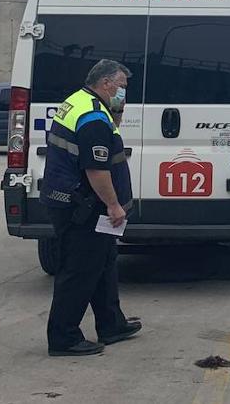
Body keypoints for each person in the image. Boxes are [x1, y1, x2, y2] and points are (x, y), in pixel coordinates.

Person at [41, 60, 141, 356]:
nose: (124, 92)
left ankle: (111, 324)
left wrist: (118, 109)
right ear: (106, 83)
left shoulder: (81, 102)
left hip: (74, 201)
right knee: (79, 271)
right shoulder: (94, 116)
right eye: (122, 87)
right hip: (83, 206)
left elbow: (113, 134)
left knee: (104, 263)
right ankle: (64, 337)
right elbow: (96, 169)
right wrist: (113, 205)